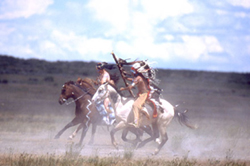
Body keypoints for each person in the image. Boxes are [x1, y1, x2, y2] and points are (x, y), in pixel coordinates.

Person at [120, 62, 150, 128]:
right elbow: (133, 80)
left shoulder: (138, 78)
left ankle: (136, 123)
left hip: (143, 94)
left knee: (135, 105)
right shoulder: (139, 77)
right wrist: (126, 78)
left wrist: (123, 89)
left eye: (133, 71)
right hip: (140, 94)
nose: (132, 72)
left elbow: (130, 87)